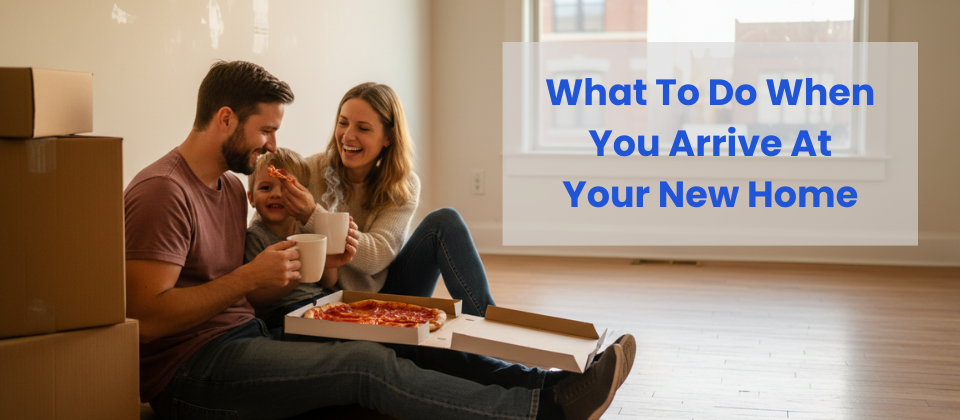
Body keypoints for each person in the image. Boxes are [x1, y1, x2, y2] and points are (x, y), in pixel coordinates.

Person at [124, 59, 634, 420]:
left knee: (413, 338)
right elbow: (146, 320)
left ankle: (548, 383)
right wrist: (252, 277)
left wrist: (290, 274)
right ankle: (540, 411)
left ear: (387, 136)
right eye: (267, 131)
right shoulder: (163, 192)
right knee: (366, 365)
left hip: (253, 334)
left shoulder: (229, 188)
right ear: (226, 119)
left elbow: (250, 294)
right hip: (193, 375)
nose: (275, 147)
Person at [276, 82, 496, 317]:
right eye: (343, 122)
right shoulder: (309, 171)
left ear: (388, 137)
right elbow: (265, 226)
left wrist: (312, 214)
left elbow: (376, 258)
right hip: (327, 299)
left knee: (445, 221)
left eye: (363, 128)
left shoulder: (404, 184)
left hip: (385, 292)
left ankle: (487, 328)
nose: (348, 135)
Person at [243, 147, 359, 328]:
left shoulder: (308, 232)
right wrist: (298, 275)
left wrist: (330, 257)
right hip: (282, 314)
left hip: (320, 304)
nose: (276, 194)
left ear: (302, 195)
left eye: (286, 188)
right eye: (265, 188)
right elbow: (255, 299)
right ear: (251, 198)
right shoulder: (255, 237)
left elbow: (329, 281)